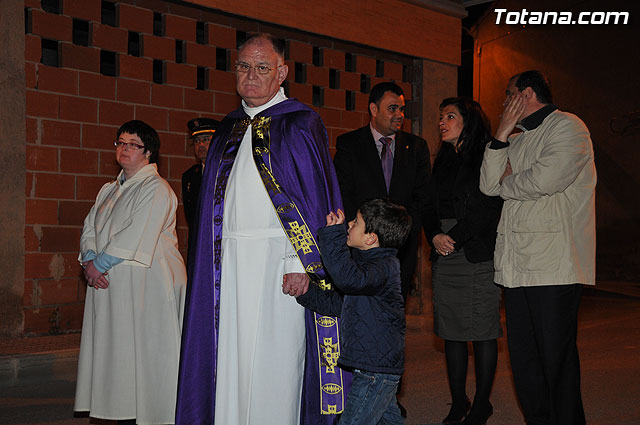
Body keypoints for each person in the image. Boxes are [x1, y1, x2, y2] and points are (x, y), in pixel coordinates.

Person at [176, 33, 350, 425]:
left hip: (279, 262)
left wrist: (299, 262)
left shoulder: (301, 123)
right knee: (231, 358)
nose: (250, 76)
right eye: (243, 67)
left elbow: (310, 199)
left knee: (276, 362)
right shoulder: (227, 129)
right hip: (230, 264)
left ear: (282, 73)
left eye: (262, 68)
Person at [479, 70, 596, 425]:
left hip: (554, 264)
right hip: (516, 266)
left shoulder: (569, 127)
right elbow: (487, 185)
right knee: (525, 360)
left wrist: (507, 183)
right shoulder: (515, 139)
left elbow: (546, 179)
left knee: (555, 359)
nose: (503, 103)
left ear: (526, 93)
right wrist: (500, 134)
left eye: (508, 94)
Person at [74, 120, 187, 424]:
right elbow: (90, 227)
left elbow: (136, 233)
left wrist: (100, 265)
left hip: (146, 283)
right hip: (110, 281)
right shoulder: (109, 189)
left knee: (145, 349)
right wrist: (90, 258)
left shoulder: (156, 188)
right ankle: (115, 405)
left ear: (148, 152)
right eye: (120, 143)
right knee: (116, 349)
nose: (124, 149)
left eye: (132, 144)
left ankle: (152, 409)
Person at [288, 199, 412, 425]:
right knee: (388, 420)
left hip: (375, 369)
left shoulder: (383, 267)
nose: (349, 225)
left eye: (356, 222)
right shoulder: (368, 268)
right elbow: (339, 304)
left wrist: (332, 236)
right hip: (375, 367)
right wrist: (305, 293)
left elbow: (347, 279)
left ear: (370, 238)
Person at [424, 98, 503, 425]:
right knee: (452, 332)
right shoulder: (441, 159)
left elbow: (488, 207)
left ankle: (482, 403)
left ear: (468, 121)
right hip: (444, 250)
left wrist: (452, 238)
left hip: (474, 252)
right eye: (441, 117)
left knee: (482, 331)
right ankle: (459, 401)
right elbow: (426, 203)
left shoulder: (486, 155)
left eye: (450, 116)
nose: (442, 122)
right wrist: (433, 235)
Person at [333, 81, 430, 302]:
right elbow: (343, 192)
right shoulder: (349, 144)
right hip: (361, 248)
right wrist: (360, 232)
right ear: (374, 110)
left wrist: (403, 230)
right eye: (392, 108)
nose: (399, 115)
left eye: (402, 109)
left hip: (400, 248)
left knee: (393, 311)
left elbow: (421, 196)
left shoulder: (416, 148)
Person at [182, 117, 220, 237]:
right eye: (197, 141)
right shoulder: (190, 176)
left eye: (206, 139)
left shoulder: (229, 172)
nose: (201, 145)